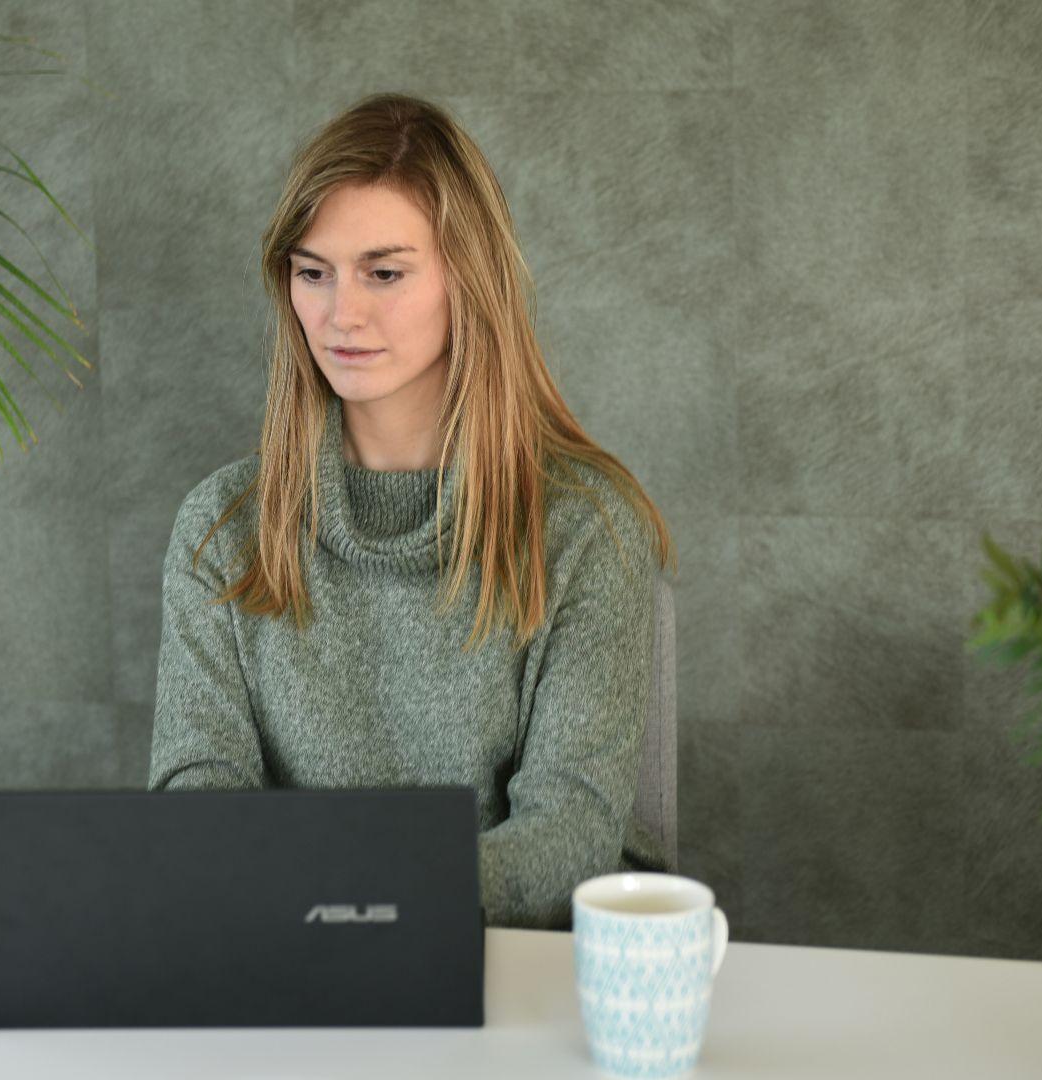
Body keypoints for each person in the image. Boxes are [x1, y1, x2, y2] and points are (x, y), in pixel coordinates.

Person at [146, 91, 679, 930]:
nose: (339, 313)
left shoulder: (587, 525)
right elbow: (196, 795)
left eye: (384, 273)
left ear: (469, 278)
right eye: (311, 271)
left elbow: (569, 828)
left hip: (514, 969)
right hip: (288, 970)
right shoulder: (223, 524)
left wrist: (366, 901)